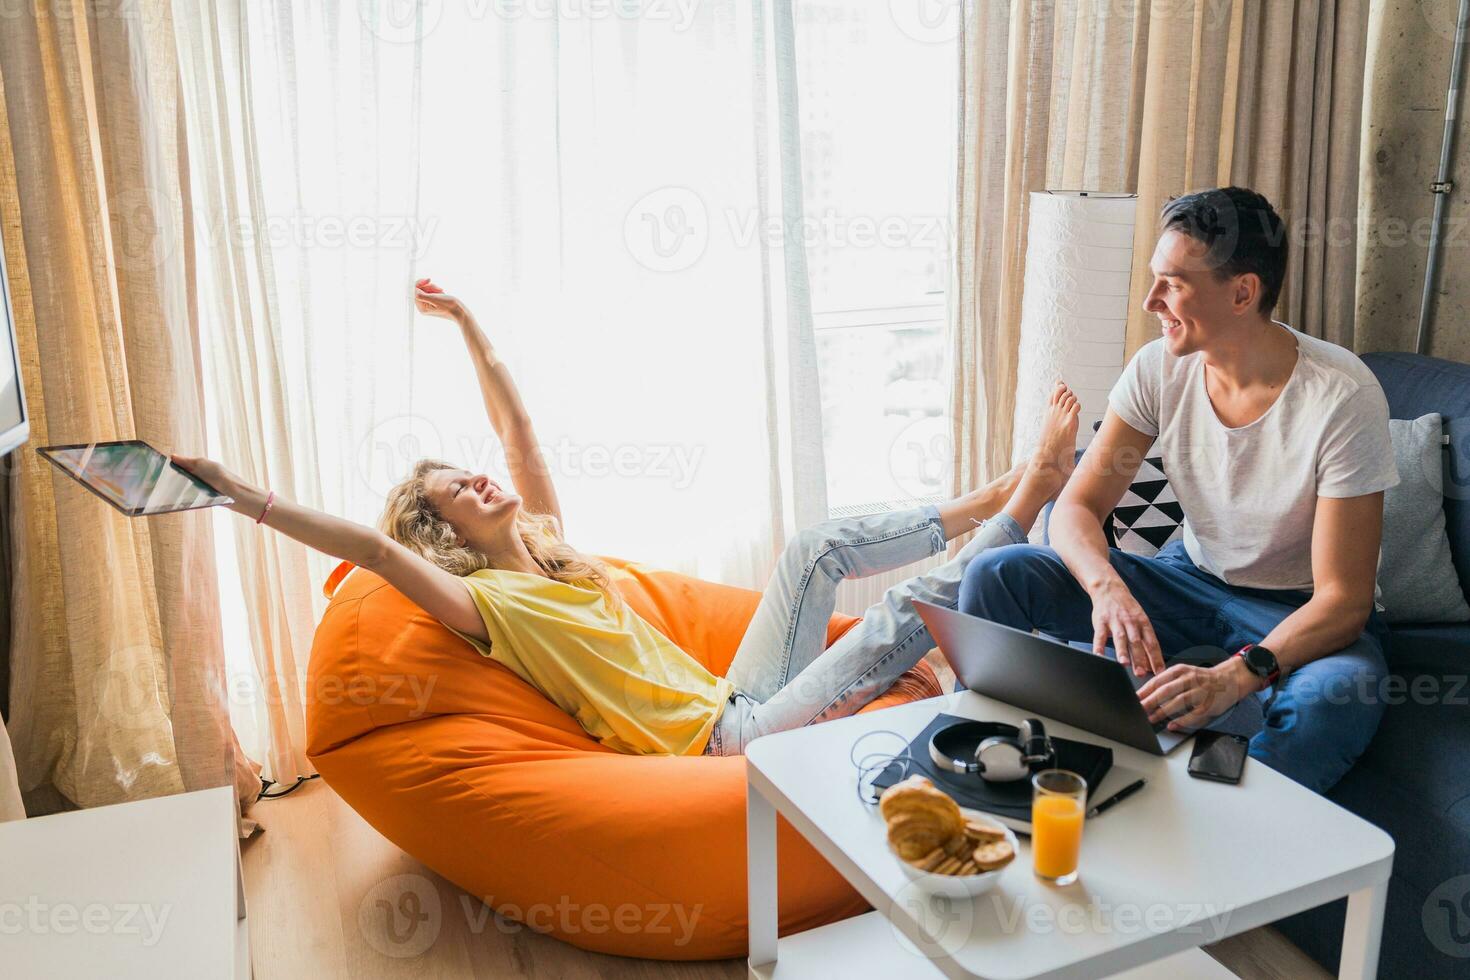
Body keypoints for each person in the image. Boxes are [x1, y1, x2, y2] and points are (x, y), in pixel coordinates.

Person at [173, 278, 1085, 758]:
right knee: (895, 618)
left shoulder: (551, 553)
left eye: (471, 473)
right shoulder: (485, 606)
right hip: (725, 746)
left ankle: (989, 497)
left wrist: (466, 324)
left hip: (736, 693)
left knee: (815, 546)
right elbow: (371, 547)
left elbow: (517, 427)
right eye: (460, 490)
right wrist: (234, 493)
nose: (483, 481)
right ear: (445, 533)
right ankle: (1026, 500)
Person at [958, 187, 1399, 794]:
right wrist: (1107, 588)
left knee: (1337, 695)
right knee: (997, 575)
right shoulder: (1158, 366)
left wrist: (1237, 677)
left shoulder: (1342, 397)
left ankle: (1230, 841)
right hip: (1186, 579)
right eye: (1152, 280)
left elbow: (1344, 601)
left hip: (1298, 611)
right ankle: (981, 769)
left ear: (1243, 292)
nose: (1150, 301)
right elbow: (1077, 508)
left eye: (1173, 284)